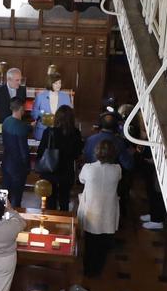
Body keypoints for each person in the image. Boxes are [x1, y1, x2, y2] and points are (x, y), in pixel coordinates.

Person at [76, 139, 124, 276]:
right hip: (108, 210)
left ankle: (88, 269)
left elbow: (81, 179)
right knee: (103, 243)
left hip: (92, 209)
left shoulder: (88, 168)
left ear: (96, 152)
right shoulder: (117, 169)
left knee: (90, 242)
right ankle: (97, 269)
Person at [40, 105, 83, 211]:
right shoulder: (75, 133)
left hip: (50, 170)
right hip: (66, 170)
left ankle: (51, 223)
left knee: (50, 200)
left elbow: (41, 151)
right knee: (64, 200)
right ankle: (63, 223)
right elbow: (77, 153)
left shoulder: (49, 132)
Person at [0, 106, 33, 204]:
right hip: (18, 166)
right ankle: (13, 217)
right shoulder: (21, 127)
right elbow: (24, 150)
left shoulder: (6, 121)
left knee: (5, 192)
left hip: (6, 162)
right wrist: (27, 166)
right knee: (16, 196)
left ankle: (1, 214)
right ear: (21, 109)